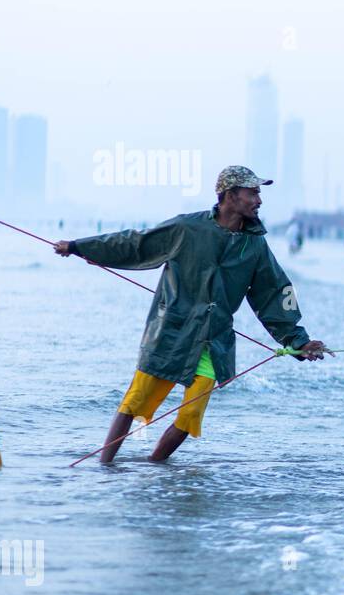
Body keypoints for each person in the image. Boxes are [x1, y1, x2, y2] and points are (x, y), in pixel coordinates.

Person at [52, 166, 328, 464]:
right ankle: (104, 468)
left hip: (214, 339)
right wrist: (79, 247)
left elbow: (273, 293)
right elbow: (135, 244)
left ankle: (154, 467)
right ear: (231, 195)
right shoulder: (187, 228)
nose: (259, 200)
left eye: (259, 193)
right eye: (253, 193)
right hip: (170, 333)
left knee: (190, 415)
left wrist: (299, 342)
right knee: (135, 402)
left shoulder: (255, 244)